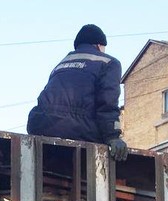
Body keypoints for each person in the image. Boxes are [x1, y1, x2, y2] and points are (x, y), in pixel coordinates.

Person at [27, 24, 128, 161]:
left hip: (39, 125)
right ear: (99, 45)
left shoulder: (61, 64)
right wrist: (113, 136)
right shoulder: (109, 62)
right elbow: (107, 103)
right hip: (75, 128)